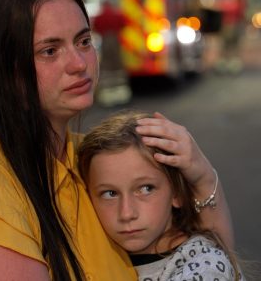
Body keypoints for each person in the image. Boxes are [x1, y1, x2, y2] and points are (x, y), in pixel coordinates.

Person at [0, 0, 234, 281]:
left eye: (83, 41)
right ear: (5, 70)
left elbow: (209, 264)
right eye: (50, 51)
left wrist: (202, 175)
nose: (79, 64)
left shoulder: (84, 159)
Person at [78, 110, 243, 280]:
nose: (127, 213)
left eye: (146, 189)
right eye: (110, 193)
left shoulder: (205, 266)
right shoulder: (99, 255)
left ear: (177, 193)